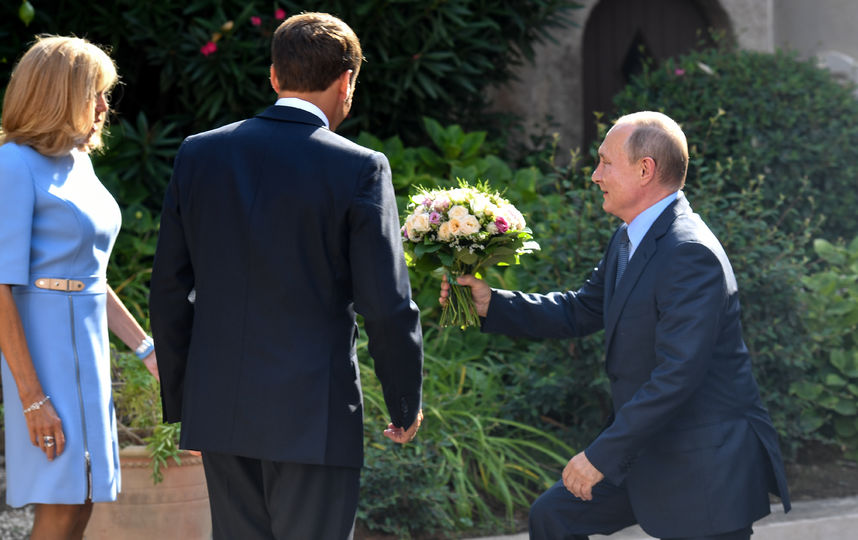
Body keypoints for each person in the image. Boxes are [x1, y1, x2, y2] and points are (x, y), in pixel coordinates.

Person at [440, 111, 791, 540]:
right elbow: (579, 310)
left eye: (605, 162)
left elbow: (678, 375)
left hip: (703, 465)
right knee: (554, 516)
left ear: (645, 170)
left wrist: (601, 455)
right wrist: (492, 303)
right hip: (650, 446)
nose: (594, 175)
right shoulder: (629, 237)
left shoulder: (689, 252)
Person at [149, 12, 424, 540]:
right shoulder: (361, 167)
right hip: (314, 417)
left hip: (221, 412)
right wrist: (405, 401)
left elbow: (168, 289)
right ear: (346, 82)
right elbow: (386, 306)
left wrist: (189, 404)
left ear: (274, 76)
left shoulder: (198, 153)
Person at [0, 35, 159, 539]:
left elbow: (91, 276)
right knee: (62, 503)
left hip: (87, 350)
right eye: (95, 93)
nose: (105, 106)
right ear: (59, 96)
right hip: (42, 352)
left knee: (85, 497)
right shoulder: (12, 165)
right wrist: (31, 397)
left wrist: (145, 349)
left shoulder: (80, 163)